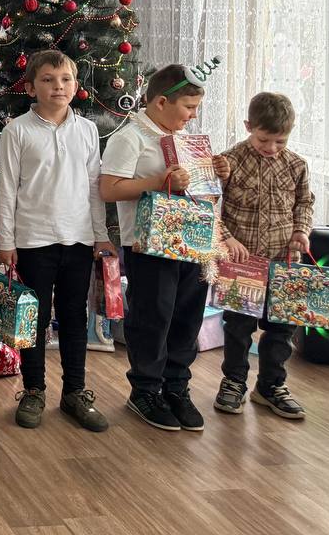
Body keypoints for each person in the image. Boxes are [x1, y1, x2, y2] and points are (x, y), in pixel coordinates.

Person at [100, 62, 230, 432]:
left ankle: (176, 387)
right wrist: (158, 182)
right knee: (153, 316)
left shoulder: (185, 138)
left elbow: (198, 190)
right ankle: (145, 390)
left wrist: (215, 173)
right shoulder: (131, 137)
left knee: (187, 315)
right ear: (160, 102)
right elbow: (109, 189)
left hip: (192, 240)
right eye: (188, 107)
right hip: (149, 245)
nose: (193, 115)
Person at [0, 50, 115, 432]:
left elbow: (95, 187)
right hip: (34, 241)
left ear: (75, 86)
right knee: (35, 318)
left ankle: (74, 392)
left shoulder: (88, 130)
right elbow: (6, 189)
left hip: (78, 239)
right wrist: (6, 240)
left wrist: (100, 235)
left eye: (65, 80)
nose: (57, 87)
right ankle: (34, 390)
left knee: (74, 316)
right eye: (47, 80)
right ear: (31, 87)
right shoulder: (17, 131)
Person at [214, 91, 313, 419]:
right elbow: (209, 203)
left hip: (285, 262)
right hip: (243, 264)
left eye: (280, 141)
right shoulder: (229, 162)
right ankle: (234, 382)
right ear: (248, 127)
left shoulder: (297, 165)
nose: (271, 148)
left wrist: (301, 231)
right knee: (238, 327)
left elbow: (304, 203)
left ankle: (271, 386)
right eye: (264, 140)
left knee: (282, 329)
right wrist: (227, 238)